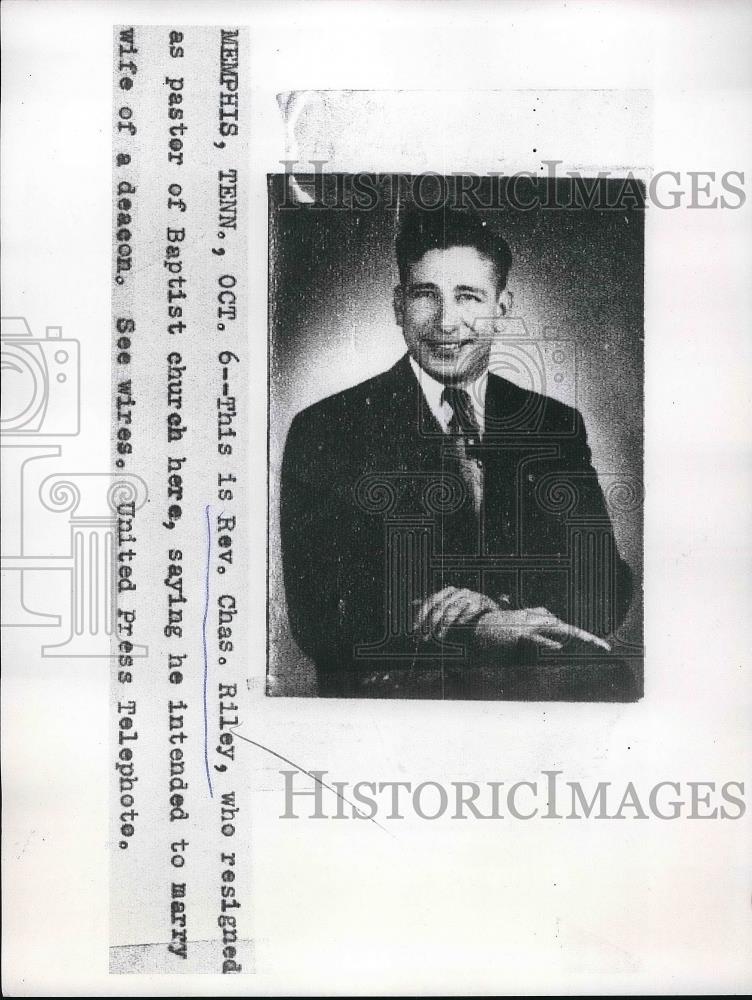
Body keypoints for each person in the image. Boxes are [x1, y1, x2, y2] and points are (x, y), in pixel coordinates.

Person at [280, 206, 636, 699]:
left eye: (468, 296)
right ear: (398, 305)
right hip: (401, 699)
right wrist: (469, 631)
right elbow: (319, 621)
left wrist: (503, 613)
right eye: (426, 295)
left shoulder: (553, 423)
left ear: (501, 306)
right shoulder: (327, 428)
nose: (447, 322)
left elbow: (608, 587)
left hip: (536, 691)